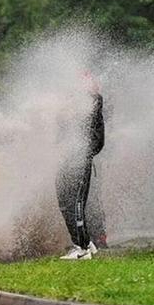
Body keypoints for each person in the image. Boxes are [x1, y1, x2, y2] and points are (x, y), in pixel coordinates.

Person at [56, 77, 105, 260]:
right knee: (63, 198)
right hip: (70, 158)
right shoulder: (72, 106)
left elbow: (95, 139)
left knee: (75, 203)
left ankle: (82, 248)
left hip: (81, 158)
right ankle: (86, 243)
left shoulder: (92, 102)